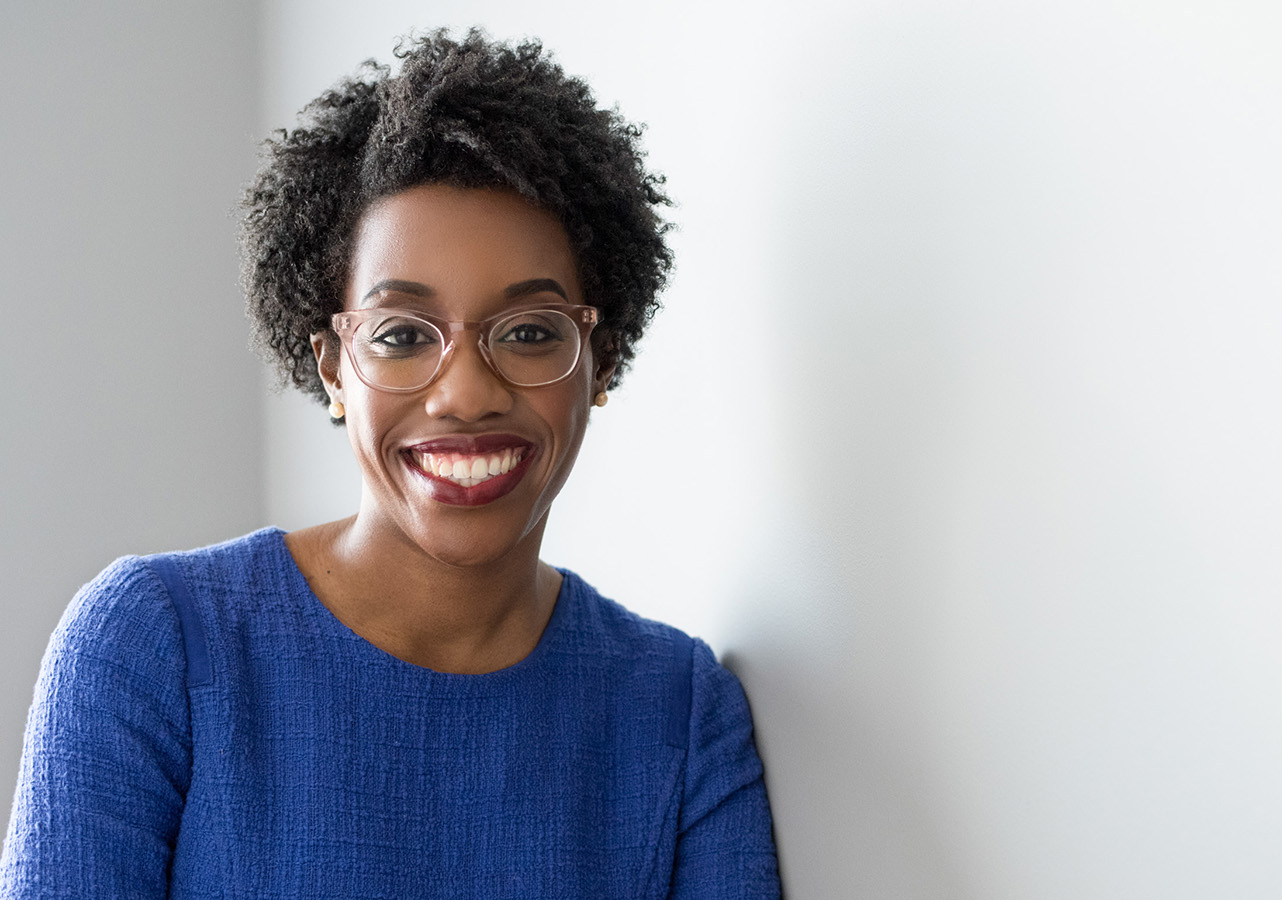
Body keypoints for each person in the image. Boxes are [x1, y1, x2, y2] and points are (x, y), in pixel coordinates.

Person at [0, 29, 779, 898]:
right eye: (403, 335)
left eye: (528, 332)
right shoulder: (156, 645)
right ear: (334, 368)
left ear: (602, 360)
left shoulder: (677, 712)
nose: (466, 394)